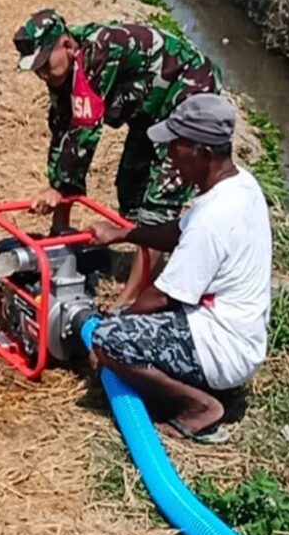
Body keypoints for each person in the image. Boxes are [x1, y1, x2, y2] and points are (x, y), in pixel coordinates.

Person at [85, 93, 272, 444]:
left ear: (202, 153)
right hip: (238, 335)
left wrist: (117, 326)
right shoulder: (239, 185)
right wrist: (122, 233)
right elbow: (177, 231)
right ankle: (199, 387)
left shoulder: (215, 219)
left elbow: (159, 298)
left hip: (222, 347)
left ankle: (200, 406)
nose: (169, 155)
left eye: (176, 146)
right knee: (124, 328)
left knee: (108, 340)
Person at [13, 8, 221, 307]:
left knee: (160, 197)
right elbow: (62, 129)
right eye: (37, 69)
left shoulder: (97, 55)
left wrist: (60, 187)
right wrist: (57, 229)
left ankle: (130, 301)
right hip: (148, 107)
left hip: (186, 91)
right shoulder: (65, 70)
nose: (42, 74)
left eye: (45, 65)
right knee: (130, 184)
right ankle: (145, 257)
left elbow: (84, 131)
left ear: (67, 46)